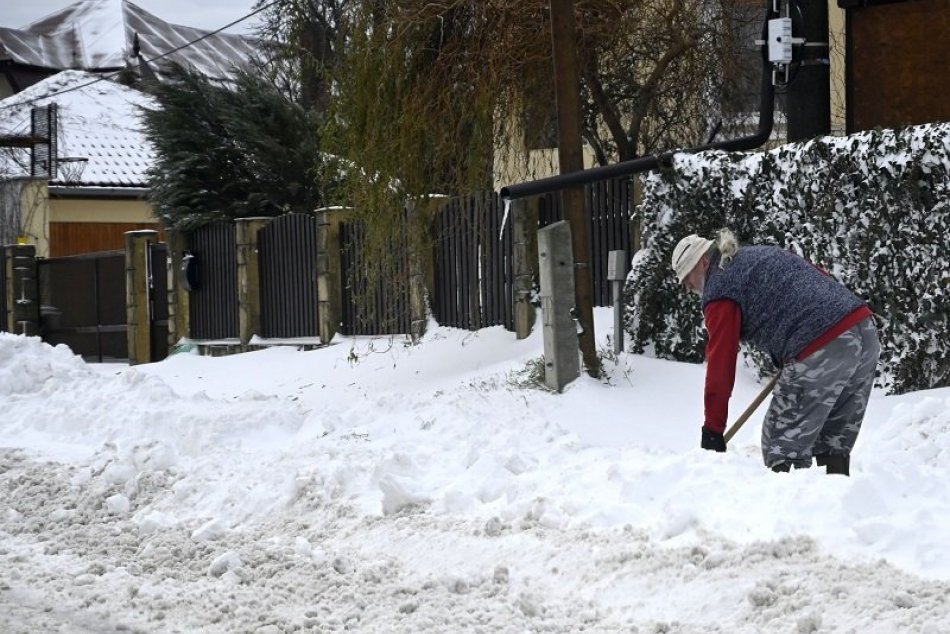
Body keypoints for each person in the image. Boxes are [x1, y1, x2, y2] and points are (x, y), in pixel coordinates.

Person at [671, 229, 880, 475]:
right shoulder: (755, 256)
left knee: (781, 445)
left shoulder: (719, 288)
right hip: (864, 331)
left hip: (821, 344)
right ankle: (835, 503)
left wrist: (713, 430)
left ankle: (793, 510)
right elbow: (815, 276)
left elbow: (721, 365)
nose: (687, 286)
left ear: (703, 262)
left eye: (686, 277)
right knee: (832, 444)